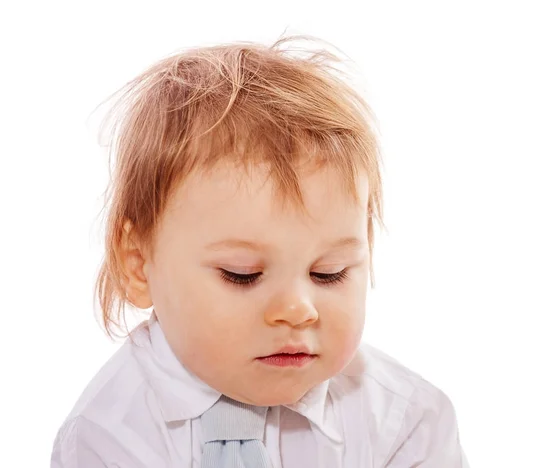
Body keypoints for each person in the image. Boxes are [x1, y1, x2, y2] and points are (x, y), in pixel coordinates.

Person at [51, 35, 470, 467]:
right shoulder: (107, 434)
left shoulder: (406, 422)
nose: (297, 310)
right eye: (242, 274)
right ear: (138, 265)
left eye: (330, 273)